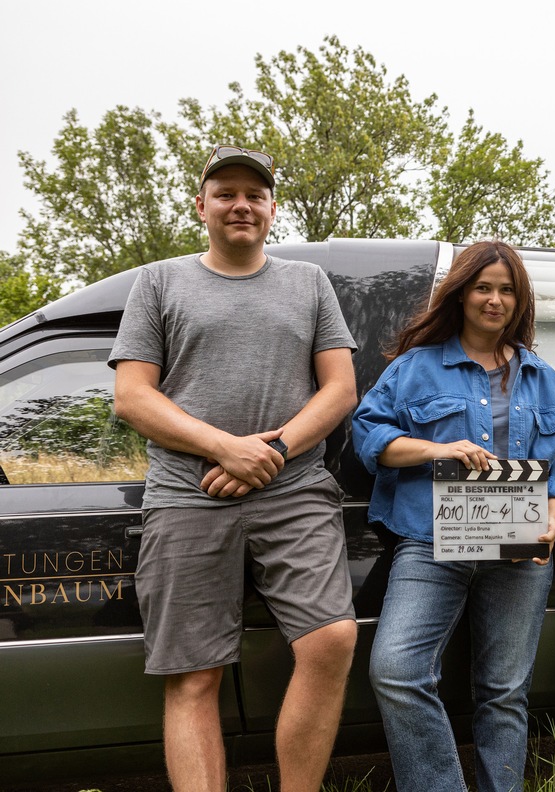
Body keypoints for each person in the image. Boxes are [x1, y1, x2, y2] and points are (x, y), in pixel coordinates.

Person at [110, 145, 360, 792]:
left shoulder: (308, 283)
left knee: (332, 639)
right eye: (225, 193)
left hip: (296, 489)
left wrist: (271, 453)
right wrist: (226, 449)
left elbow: (339, 390)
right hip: (186, 495)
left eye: (254, 194)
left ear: (273, 209)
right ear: (202, 206)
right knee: (194, 676)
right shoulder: (159, 282)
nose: (240, 204)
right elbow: (133, 395)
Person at [351, 240, 555, 792]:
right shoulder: (414, 369)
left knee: (505, 692)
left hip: (523, 550)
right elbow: (370, 435)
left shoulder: (544, 379)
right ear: (461, 293)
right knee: (397, 671)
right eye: (484, 287)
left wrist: (554, 516)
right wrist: (439, 449)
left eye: (507, 290)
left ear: (519, 301)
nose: (494, 300)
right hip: (430, 543)